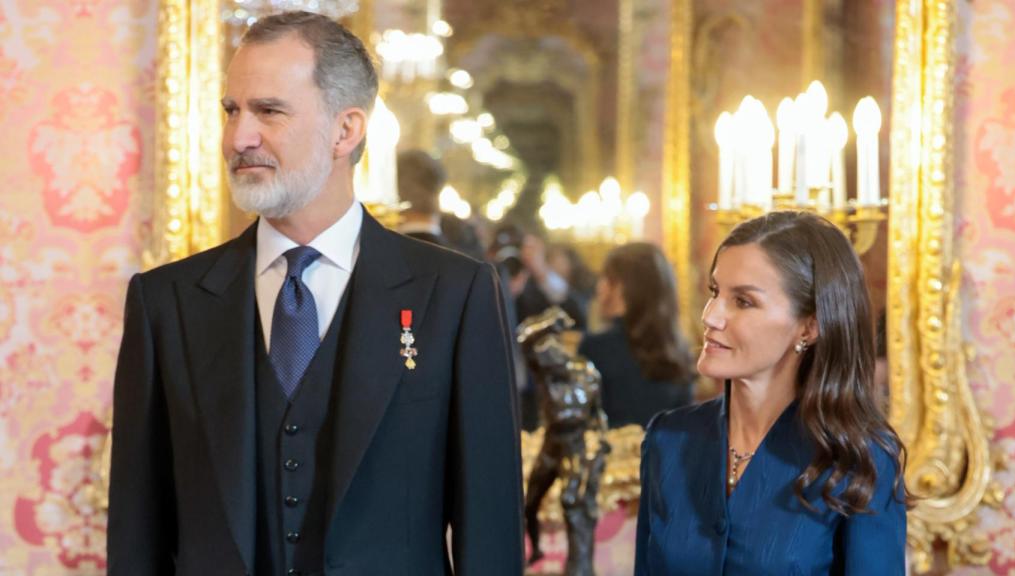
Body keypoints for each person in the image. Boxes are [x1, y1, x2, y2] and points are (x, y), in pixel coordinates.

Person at [107, 12, 523, 576]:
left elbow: (490, 534)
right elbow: (138, 536)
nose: (239, 137)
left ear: (345, 130)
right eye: (232, 111)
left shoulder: (455, 294)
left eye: (269, 111)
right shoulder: (166, 303)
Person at [635, 211, 908, 575]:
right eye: (715, 292)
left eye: (743, 301)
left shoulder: (860, 459)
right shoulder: (668, 439)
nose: (711, 316)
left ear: (809, 326)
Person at [578, 243, 693, 429]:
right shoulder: (678, 350)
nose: (599, 288)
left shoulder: (595, 348)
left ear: (620, 287)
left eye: (604, 278)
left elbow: (584, 428)